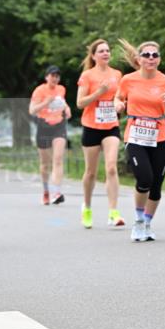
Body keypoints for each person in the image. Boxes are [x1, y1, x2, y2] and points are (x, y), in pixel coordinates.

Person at [115, 40, 165, 242]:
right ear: (139, 59)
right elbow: (118, 98)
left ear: (159, 59)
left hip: (158, 137)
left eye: (155, 55)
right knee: (144, 178)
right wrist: (119, 104)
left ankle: (147, 222)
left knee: (156, 186)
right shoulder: (128, 80)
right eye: (147, 55)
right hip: (135, 135)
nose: (151, 58)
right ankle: (137, 221)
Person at [76, 38, 124, 229]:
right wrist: (98, 92)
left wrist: (118, 104)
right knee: (91, 172)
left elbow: (117, 98)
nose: (106, 53)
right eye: (101, 51)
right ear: (94, 56)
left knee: (111, 167)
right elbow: (80, 103)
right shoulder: (87, 76)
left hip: (111, 125)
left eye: (107, 50)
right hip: (91, 126)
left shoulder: (117, 74)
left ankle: (113, 212)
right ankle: (87, 208)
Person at [29, 66, 71, 205]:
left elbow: (62, 102)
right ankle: (46, 190)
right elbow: (32, 110)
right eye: (52, 75)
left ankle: (56, 192)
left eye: (57, 76)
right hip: (44, 126)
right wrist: (45, 102)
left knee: (58, 159)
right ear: (46, 77)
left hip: (59, 126)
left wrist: (67, 108)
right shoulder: (40, 90)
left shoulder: (61, 89)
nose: (55, 78)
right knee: (45, 163)